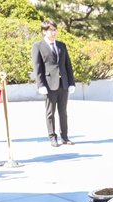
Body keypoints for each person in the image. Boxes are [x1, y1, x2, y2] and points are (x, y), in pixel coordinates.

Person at [31, 19, 76, 147]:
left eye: (55, 30)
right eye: (51, 30)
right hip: (49, 84)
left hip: (63, 83)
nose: (54, 33)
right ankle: (52, 137)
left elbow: (68, 65)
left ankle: (65, 136)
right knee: (50, 112)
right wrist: (40, 85)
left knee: (63, 112)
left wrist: (71, 82)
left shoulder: (61, 45)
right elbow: (37, 67)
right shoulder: (38, 46)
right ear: (44, 31)